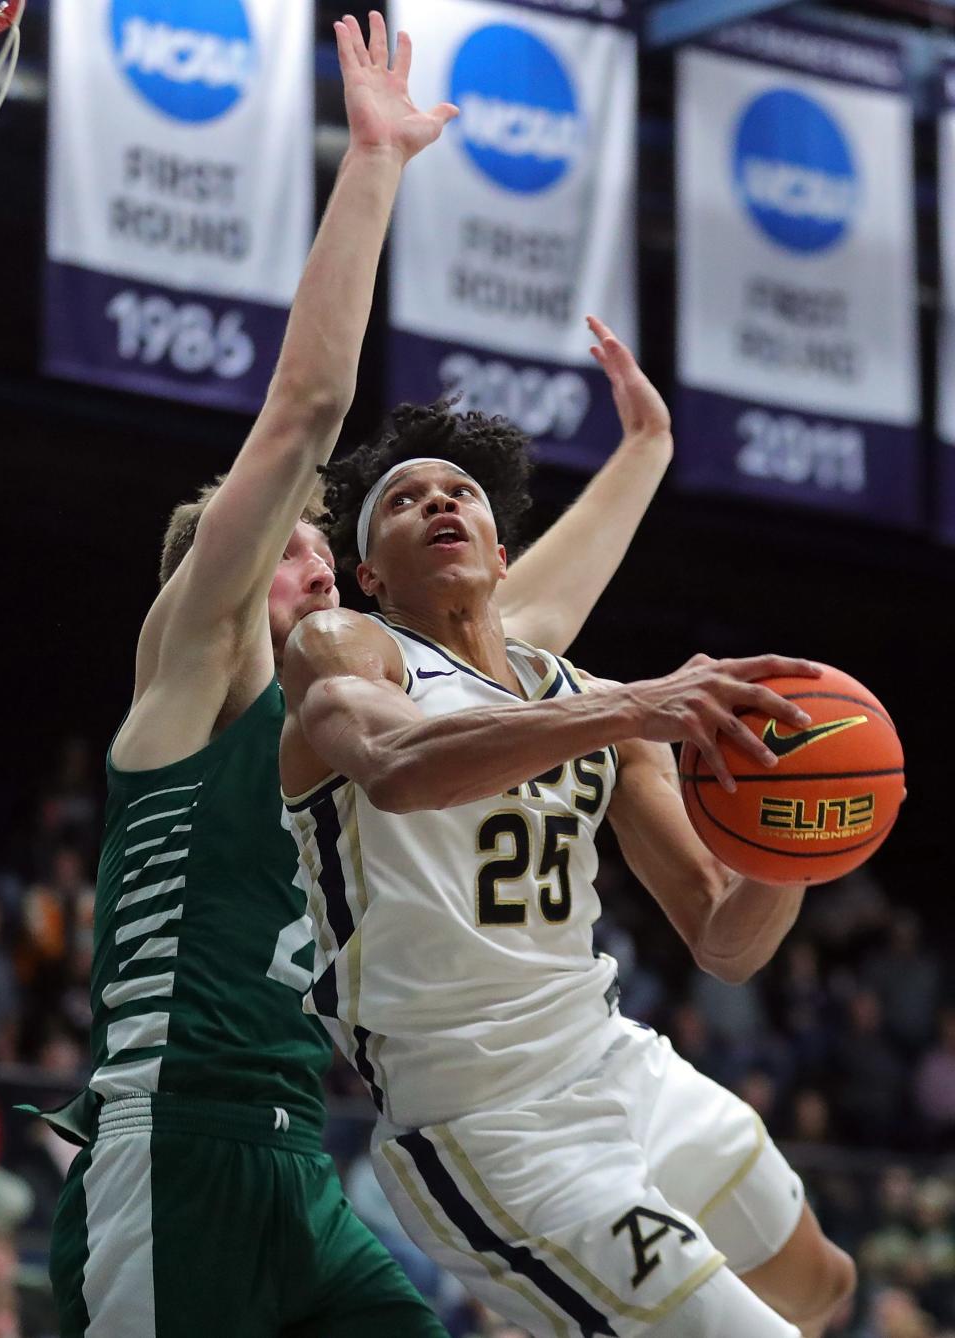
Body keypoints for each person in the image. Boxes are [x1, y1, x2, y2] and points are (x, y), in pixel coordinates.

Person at [45, 15, 679, 1336]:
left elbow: (526, 608)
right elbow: (304, 413)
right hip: (172, 1143)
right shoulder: (192, 686)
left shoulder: (355, 701)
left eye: (335, 560)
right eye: (291, 556)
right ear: (210, 587)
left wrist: (644, 452)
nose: (320, 573)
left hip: (305, 1155)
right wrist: (377, 161)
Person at [278, 414, 858, 1338]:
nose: (438, 499)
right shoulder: (350, 650)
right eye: (403, 498)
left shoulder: (592, 703)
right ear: (370, 576)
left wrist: (790, 844)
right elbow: (395, 765)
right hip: (487, 1123)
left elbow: (722, 938)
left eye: (460, 492)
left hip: (615, 1060)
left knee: (822, 1287)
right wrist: (636, 705)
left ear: (502, 557)